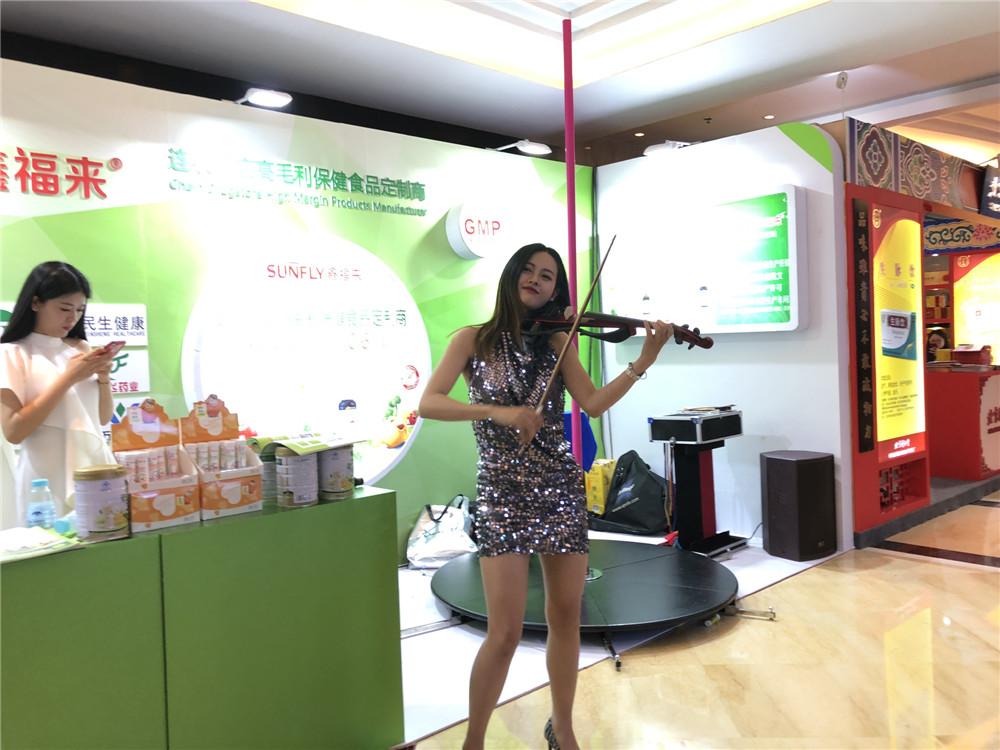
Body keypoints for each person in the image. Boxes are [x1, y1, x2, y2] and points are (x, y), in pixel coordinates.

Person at [419, 243, 674, 750]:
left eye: (549, 276)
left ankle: (563, 726)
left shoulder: (558, 340)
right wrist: (496, 412)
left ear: (556, 290)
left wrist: (643, 360)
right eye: (530, 270)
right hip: (502, 491)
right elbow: (430, 402)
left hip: (558, 488)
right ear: (513, 274)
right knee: (505, 632)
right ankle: (473, 742)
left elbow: (593, 403)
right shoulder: (472, 340)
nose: (537, 279)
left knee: (565, 616)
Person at [1, 262, 117, 524]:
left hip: (93, 469)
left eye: (79, 310)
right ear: (35, 303)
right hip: (43, 485)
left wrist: (104, 378)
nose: (72, 318)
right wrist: (67, 378)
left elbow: (101, 418)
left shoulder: (81, 348)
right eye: (64, 308)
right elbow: (13, 431)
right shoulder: (11, 353)